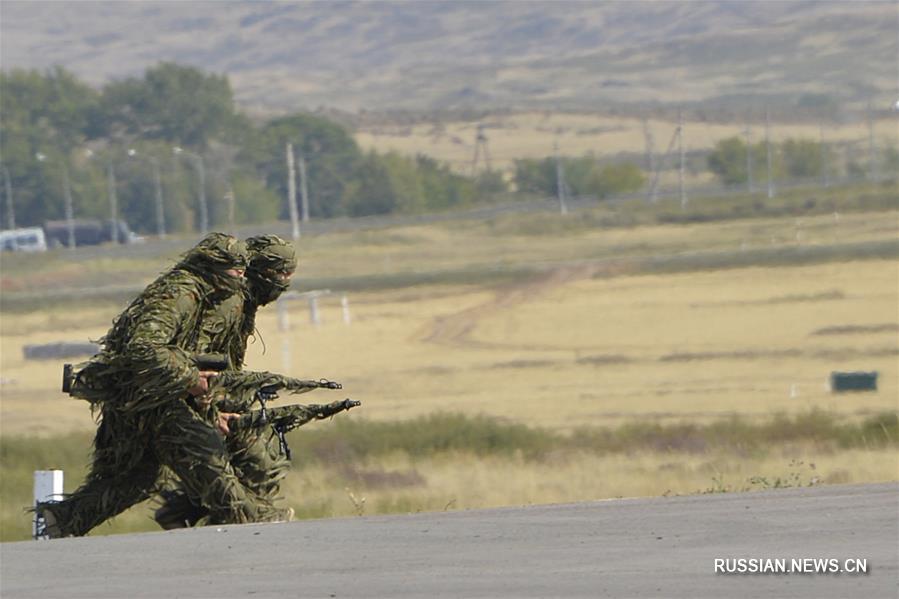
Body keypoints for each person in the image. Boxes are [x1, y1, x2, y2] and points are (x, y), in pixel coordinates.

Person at [36, 233, 291, 538]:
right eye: (279, 272)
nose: (283, 282)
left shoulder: (224, 297)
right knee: (207, 456)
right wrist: (193, 385)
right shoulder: (185, 293)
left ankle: (64, 520)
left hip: (164, 394)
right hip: (149, 397)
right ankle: (255, 523)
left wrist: (218, 403)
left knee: (137, 478)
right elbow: (144, 348)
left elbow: (218, 365)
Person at [153, 234, 334, 529]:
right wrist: (210, 410)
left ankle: (197, 515)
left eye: (289, 274)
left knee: (256, 465)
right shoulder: (230, 304)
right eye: (279, 273)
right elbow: (198, 361)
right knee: (254, 465)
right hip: (191, 399)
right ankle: (238, 523)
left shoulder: (243, 302)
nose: (284, 282)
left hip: (214, 398)